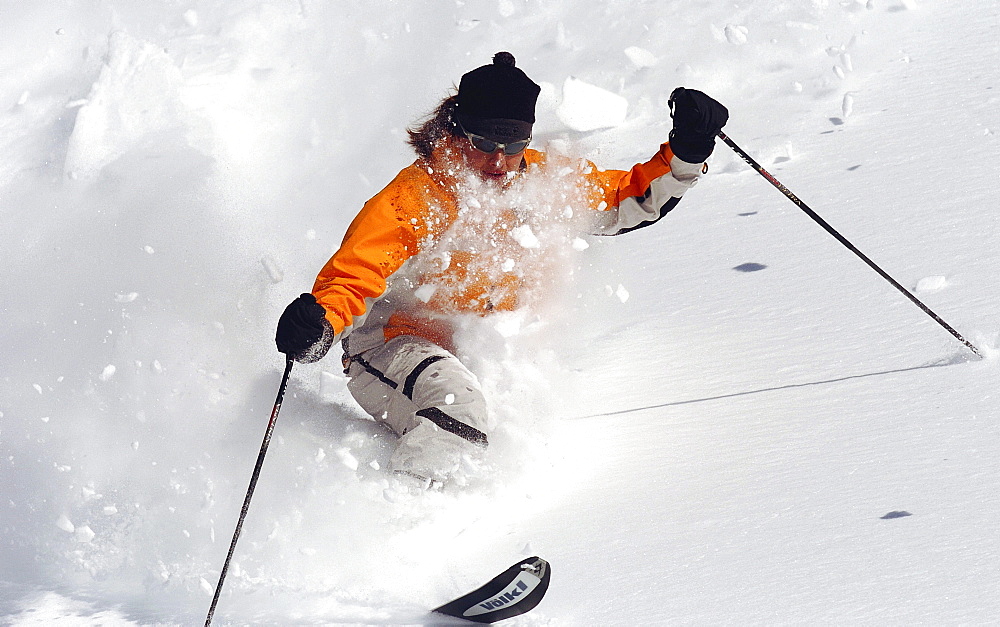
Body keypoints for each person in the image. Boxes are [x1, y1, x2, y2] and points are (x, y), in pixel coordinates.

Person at [275, 52, 727, 488]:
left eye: (512, 146)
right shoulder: (415, 198)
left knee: (508, 424)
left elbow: (627, 200)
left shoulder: (541, 181)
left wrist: (686, 154)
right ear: (458, 133)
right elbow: (355, 274)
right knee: (459, 409)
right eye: (485, 144)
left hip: (478, 351)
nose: (498, 161)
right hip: (391, 346)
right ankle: (405, 517)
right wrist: (320, 325)